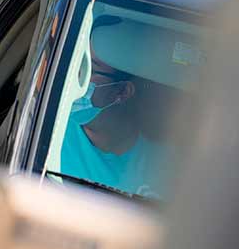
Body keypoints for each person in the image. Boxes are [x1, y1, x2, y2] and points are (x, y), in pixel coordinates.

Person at [59, 16, 171, 200]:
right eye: (78, 64)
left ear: (123, 91)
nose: (75, 76)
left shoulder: (165, 167)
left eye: (90, 70)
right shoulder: (48, 131)